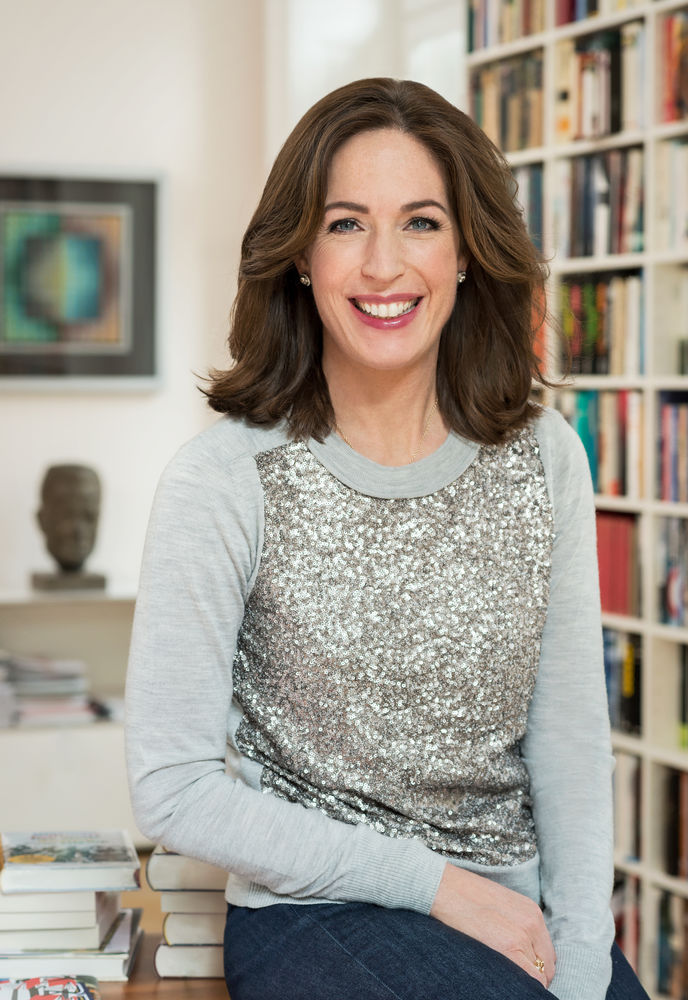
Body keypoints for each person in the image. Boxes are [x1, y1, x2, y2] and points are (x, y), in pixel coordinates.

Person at [125, 78, 649, 1000]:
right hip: (316, 917)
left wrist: (579, 962)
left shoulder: (545, 458)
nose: (382, 264)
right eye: (345, 224)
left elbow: (568, 744)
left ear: (465, 252)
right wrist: (438, 886)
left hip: (518, 913)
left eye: (420, 223)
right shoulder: (225, 479)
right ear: (300, 256)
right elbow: (172, 786)